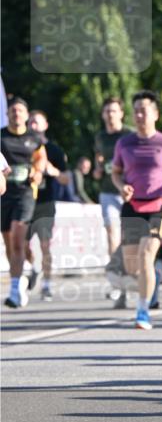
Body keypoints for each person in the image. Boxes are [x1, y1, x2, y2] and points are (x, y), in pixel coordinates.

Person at [111, 91, 162, 331]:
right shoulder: (124, 143)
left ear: (155, 113)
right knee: (134, 266)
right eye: (136, 111)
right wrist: (122, 187)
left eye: (144, 110)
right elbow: (116, 172)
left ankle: (143, 310)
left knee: (145, 257)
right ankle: (156, 271)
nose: (140, 115)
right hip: (132, 206)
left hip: (158, 205)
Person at [1, 98, 46, 308]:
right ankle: (22, 279)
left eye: (20, 111)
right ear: (7, 115)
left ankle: (14, 290)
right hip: (4, 195)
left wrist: (37, 172)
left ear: (27, 116)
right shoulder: (1, 137)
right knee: (9, 244)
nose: (16, 114)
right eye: (12, 111)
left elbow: (41, 159)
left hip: (26, 194)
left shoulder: (33, 138)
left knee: (18, 240)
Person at [26, 110, 70, 301]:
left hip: (45, 202)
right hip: (25, 201)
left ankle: (47, 285)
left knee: (45, 245)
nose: (33, 126)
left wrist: (52, 171)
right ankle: (35, 267)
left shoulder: (55, 150)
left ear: (45, 125)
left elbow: (66, 179)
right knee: (20, 244)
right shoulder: (22, 146)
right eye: (31, 122)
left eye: (37, 122)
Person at [94, 97, 132, 260]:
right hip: (107, 190)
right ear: (103, 115)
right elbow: (99, 155)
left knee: (128, 233)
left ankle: (130, 268)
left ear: (121, 114)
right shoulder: (100, 137)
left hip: (129, 190)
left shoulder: (129, 134)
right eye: (107, 111)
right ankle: (115, 271)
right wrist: (98, 168)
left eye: (114, 111)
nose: (110, 115)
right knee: (111, 229)